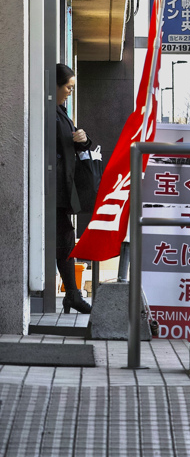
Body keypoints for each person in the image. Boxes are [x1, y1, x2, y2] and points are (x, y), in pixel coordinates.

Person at [55, 64, 94, 314]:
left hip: (60, 186)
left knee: (65, 237)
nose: (70, 91)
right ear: (55, 85)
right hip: (53, 187)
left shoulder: (60, 110)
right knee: (65, 237)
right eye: (68, 87)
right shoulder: (48, 111)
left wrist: (83, 140)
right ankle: (72, 294)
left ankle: (72, 293)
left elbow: (72, 144)